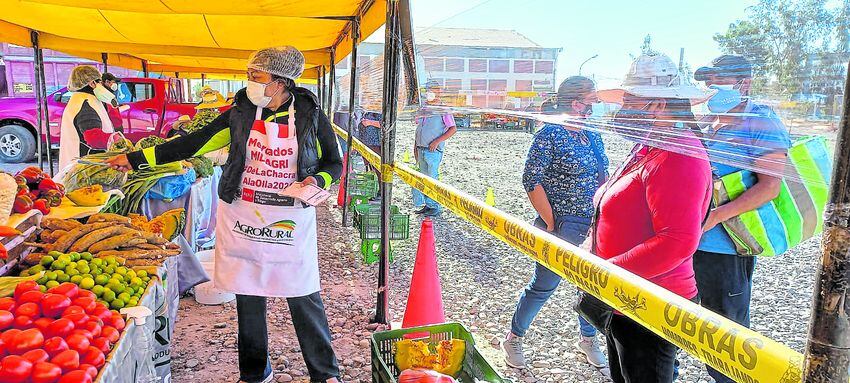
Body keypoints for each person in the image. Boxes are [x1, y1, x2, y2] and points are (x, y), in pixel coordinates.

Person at [106, 46, 344, 383]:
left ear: (280, 82)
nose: (250, 83)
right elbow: (194, 143)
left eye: (256, 76)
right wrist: (135, 159)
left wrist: (317, 179)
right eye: (249, 75)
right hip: (244, 215)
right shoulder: (240, 112)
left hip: (290, 219)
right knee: (248, 293)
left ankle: (325, 373)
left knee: (302, 293)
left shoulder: (311, 114)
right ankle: (254, 372)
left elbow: (334, 163)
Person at [594, 53, 712, 383]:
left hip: (649, 300)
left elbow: (677, 241)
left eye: (630, 101)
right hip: (625, 296)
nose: (622, 109)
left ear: (658, 104)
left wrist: (605, 274)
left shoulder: (677, 155)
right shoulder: (650, 147)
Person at [692, 55, 790, 383]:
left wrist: (715, 217)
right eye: (708, 82)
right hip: (693, 241)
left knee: (726, 336)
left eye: (717, 82)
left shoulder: (760, 120)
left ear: (743, 84)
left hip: (727, 247)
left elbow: (770, 187)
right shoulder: (710, 121)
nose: (710, 88)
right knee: (692, 325)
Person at [501, 76, 608, 369]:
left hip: (592, 223)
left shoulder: (591, 135)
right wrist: (550, 222)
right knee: (544, 285)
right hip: (562, 223)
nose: (594, 107)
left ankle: (587, 339)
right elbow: (531, 179)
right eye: (591, 101)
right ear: (575, 103)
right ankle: (514, 338)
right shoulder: (550, 134)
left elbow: (603, 173)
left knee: (588, 286)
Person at [58, 65, 119, 170]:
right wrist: (118, 141)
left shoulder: (83, 99)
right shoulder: (85, 103)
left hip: (81, 165)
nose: (103, 85)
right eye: (100, 82)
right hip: (84, 167)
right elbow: (93, 138)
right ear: (92, 83)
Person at [412, 81, 457, 217]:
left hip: (433, 150)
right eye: (428, 90)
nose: (430, 92)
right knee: (424, 178)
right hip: (421, 148)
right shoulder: (424, 109)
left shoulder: (443, 109)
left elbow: (453, 129)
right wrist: (415, 146)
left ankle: (435, 206)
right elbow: (419, 128)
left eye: (433, 90)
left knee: (432, 178)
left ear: (439, 92)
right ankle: (428, 204)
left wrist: (437, 141)